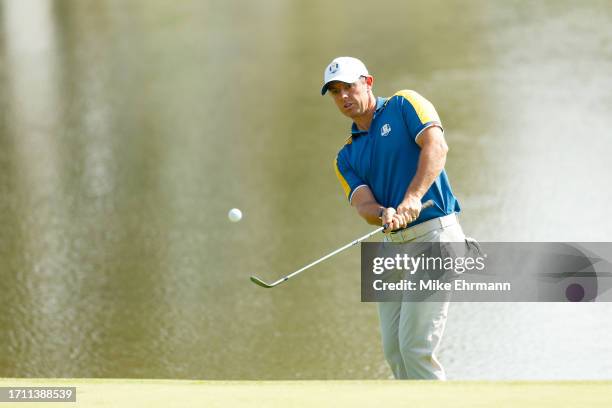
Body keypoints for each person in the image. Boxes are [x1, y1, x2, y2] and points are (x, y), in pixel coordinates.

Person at [322, 56, 466, 380]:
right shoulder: (345, 155)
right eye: (335, 91)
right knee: (395, 353)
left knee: (415, 348)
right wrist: (382, 213)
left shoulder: (405, 104)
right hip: (391, 246)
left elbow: (437, 146)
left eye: (349, 86)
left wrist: (413, 197)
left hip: (434, 236)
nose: (343, 96)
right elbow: (363, 205)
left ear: (368, 82)